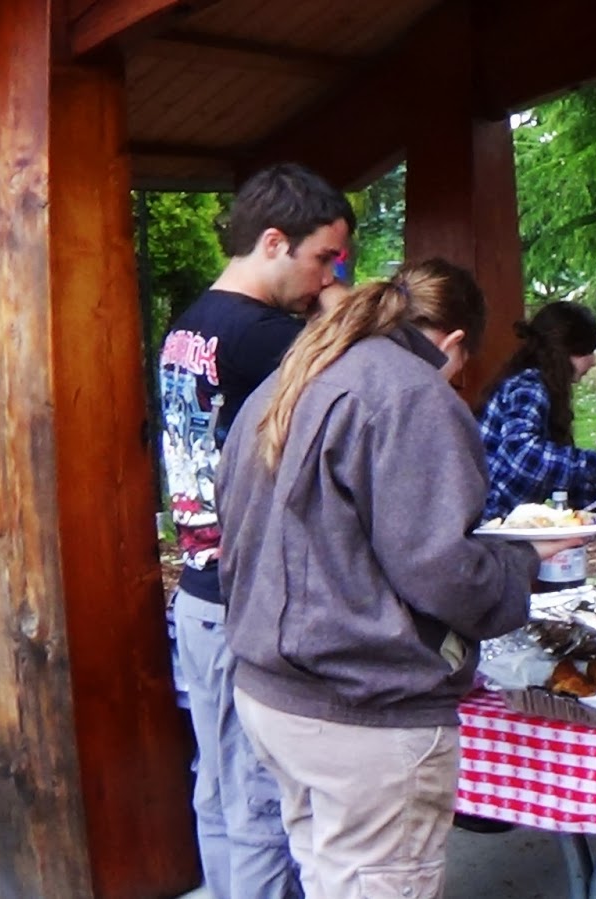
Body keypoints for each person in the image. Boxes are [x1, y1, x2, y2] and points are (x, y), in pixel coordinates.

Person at [218, 259, 574, 899]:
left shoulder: (293, 375)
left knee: (332, 880)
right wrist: (523, 561)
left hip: (275, 695)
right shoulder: (410, 392)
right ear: (455, 343)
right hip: (360, 714)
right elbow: (441, 570)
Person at [158, 162, 354, 899]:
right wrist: (341, 301)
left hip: (200, 594)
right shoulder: (269, 338)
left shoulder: (189, 324)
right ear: (274, 242)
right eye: (322, 258)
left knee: (217, 788)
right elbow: (402, 367)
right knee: (263, 808)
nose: (327, 276)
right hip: (249, 601)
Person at [478, 301, 596, 520]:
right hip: (486, 525)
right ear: (564, 351)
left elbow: (560, 479)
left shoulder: (540, 386)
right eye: (587, 352)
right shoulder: (529, 387)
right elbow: (524, 457)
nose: (594, 361)